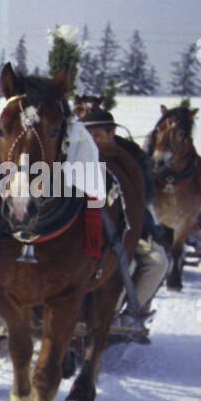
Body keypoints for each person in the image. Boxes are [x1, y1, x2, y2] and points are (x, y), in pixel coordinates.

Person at [76, 97, 169, 317]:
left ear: (112, 134)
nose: (92, 141)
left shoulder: (133, 155)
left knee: (158, 262)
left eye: (97, 136)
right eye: (87, 136)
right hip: (80, 225)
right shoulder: (73, 153)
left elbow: (147, 193)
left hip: (128, 223)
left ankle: (125, 313)